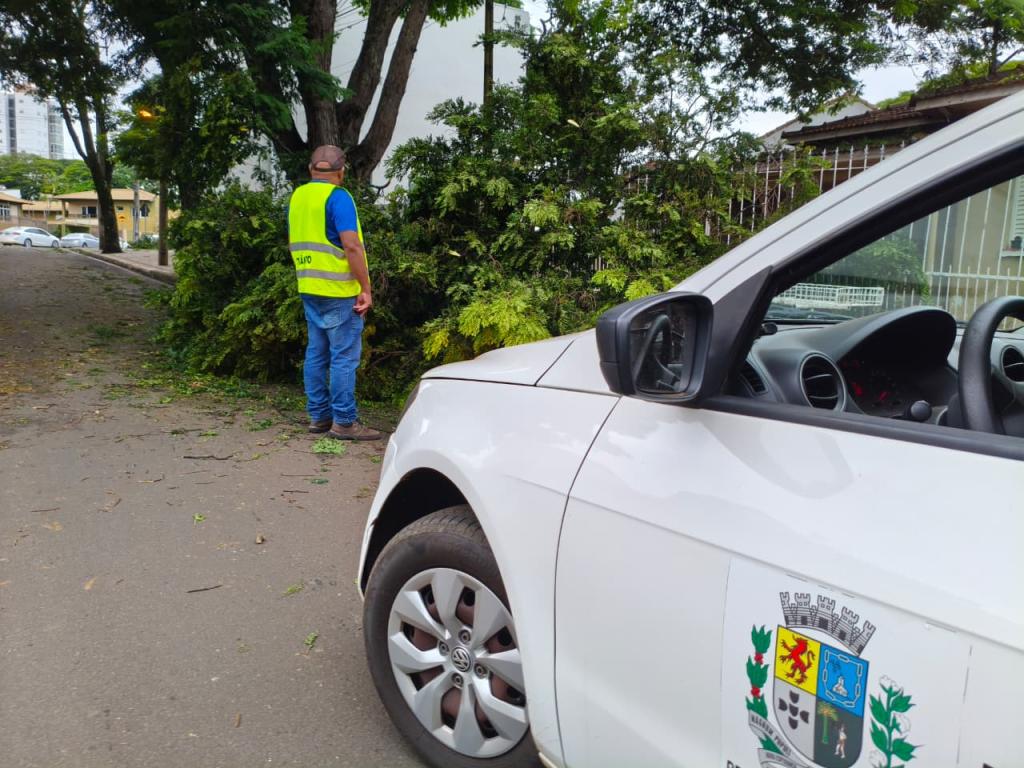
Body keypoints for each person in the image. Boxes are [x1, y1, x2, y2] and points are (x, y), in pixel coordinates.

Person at [288, 145, 383, 440]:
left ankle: (319, 417)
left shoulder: (298, 197)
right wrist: (365, 288)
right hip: (338, 289)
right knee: (343, 357)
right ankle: (344, 422)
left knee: (316, 353)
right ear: (341, 172)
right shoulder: (338, 197)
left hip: (308, 285)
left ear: (310, 170)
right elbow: (352, 245)